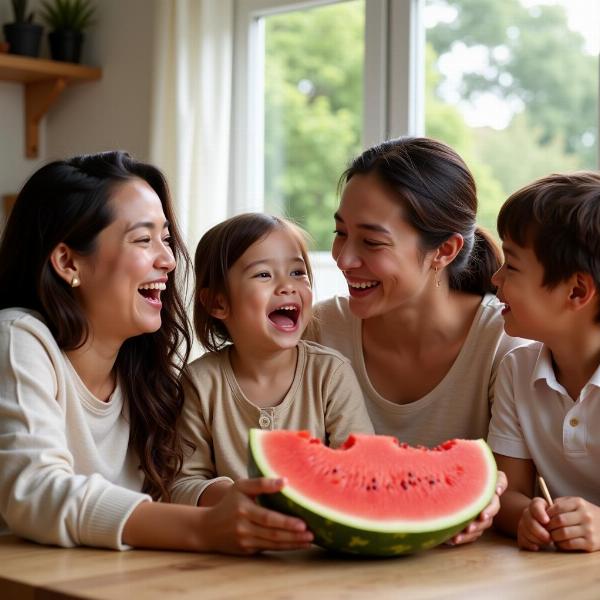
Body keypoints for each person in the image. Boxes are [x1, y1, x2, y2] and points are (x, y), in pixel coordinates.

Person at [0, 152, 313, 555]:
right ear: (67, 261)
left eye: (165, 238)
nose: (168, 259)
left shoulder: (145, 377)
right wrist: (204, 528)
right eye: (143, 239)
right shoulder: (18, 338)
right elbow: (35, 492)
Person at [308, 137, 523, 544]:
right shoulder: (320, 328)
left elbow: (510, 494)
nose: (344, 258)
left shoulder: (502, 343)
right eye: (340, 232)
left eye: (371, 242)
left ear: (444, 250)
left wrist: (486, 501)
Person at [171, 213, 374, 506]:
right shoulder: (200, 382)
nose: (287, 286)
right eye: (264, 274)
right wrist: (232, 497)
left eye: (297, 272)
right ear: (218, 302)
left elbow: (360, 469)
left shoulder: (330, 374)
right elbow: (182, 484)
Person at [488, 172, 600, 553]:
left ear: (577, 290)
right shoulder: (516, 370)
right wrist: (525, 515)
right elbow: (508, 490)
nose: (495, 278)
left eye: (512, 266)